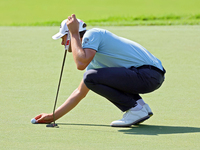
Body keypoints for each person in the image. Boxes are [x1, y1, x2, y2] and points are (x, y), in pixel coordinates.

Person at [34, 14, 166, 127]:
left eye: (63, 38)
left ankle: (135, 109)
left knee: (90, 76)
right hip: (148, 76)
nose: (62, 43)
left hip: (148, 74)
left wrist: (73, 33)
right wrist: (54, 116)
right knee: (91, 77)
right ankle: (140, 106)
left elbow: (80, 64)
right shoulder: (94, 60)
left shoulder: (93, 34)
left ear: (70, 35)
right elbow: (80, 92)